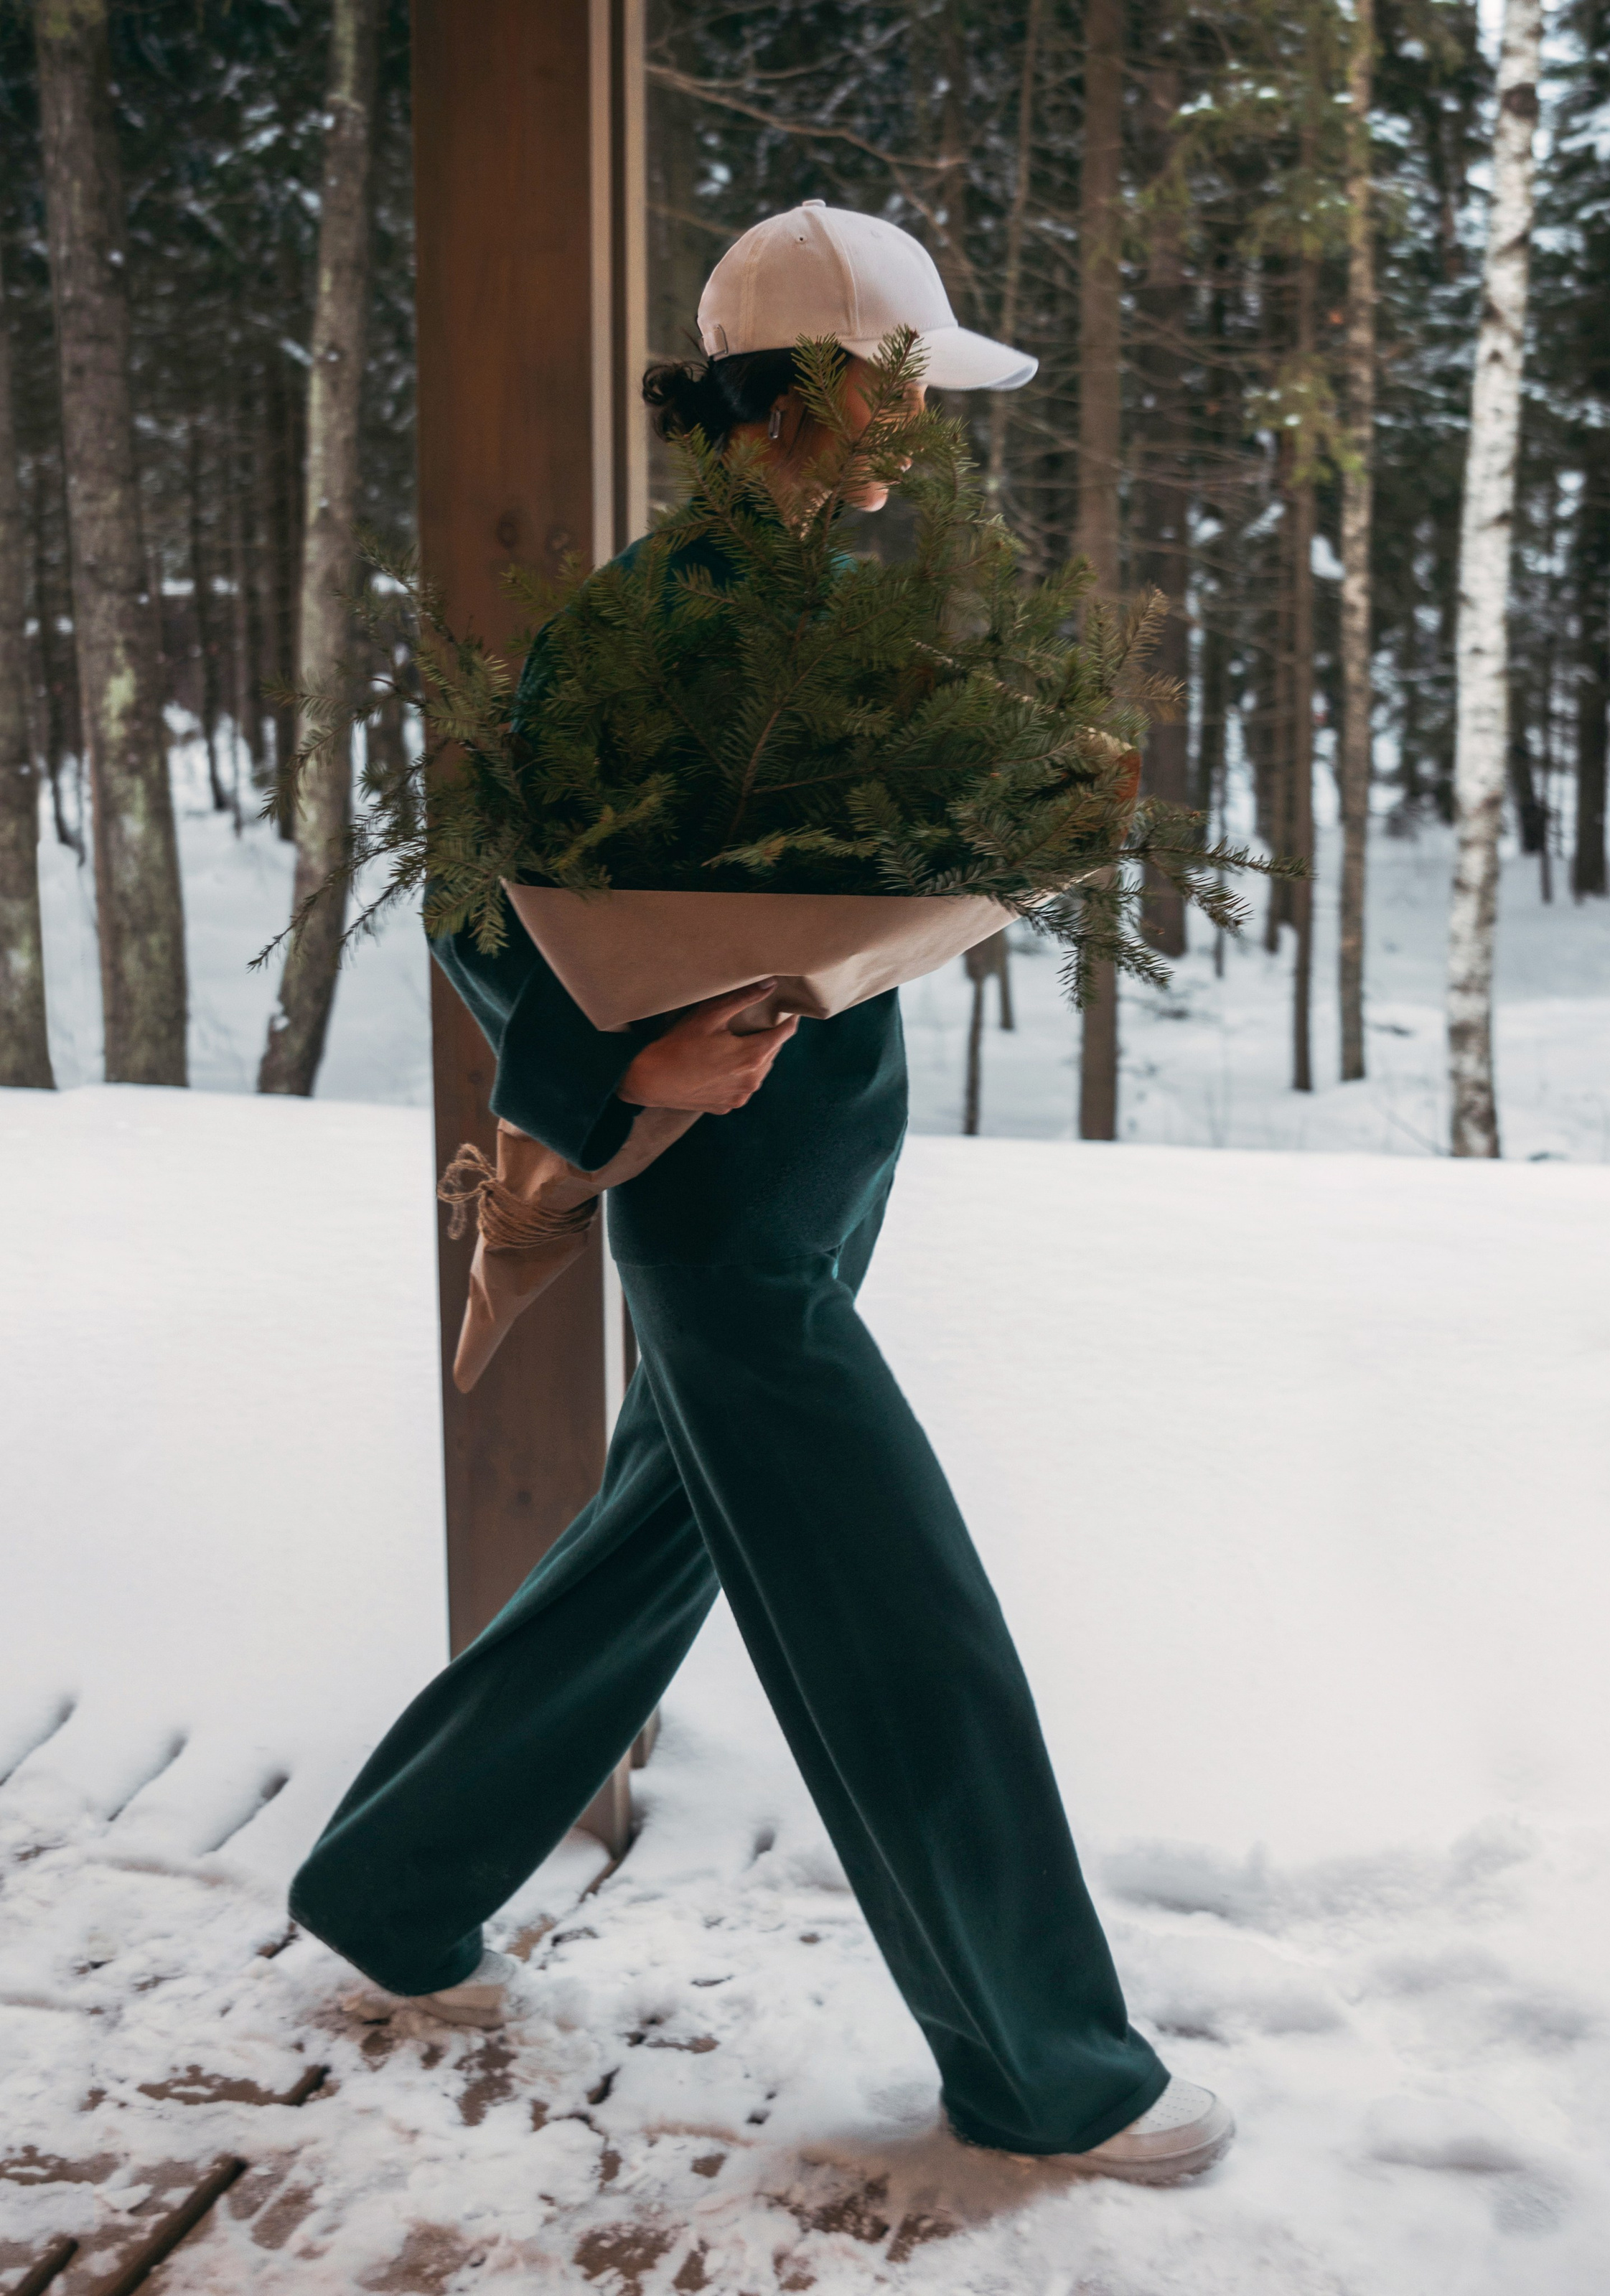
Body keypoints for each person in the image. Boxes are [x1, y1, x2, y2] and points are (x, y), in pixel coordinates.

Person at [288, 202, 1233, 2186]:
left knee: (655, 1544)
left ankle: (390, 1888)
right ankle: (1047, 2071)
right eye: (902, 389)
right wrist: (622, 1062)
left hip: (797, 1192)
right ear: (812, 394)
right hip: (732, 1234)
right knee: (905, 1621)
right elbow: (482, 889)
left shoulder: (799, 592)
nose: (921, 434)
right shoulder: (667, 618)